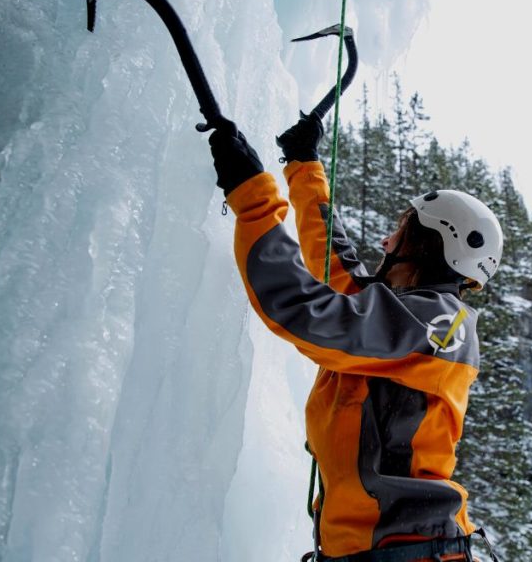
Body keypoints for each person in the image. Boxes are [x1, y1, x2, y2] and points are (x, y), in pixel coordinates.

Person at [208, 112, 503, 562]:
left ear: (429, 245)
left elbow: (305, 310)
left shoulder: (439, 327)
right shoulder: (414, 319)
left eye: (400, 233)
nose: (386, 243)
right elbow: (338, 269)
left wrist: (252, 199)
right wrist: (304, 167)